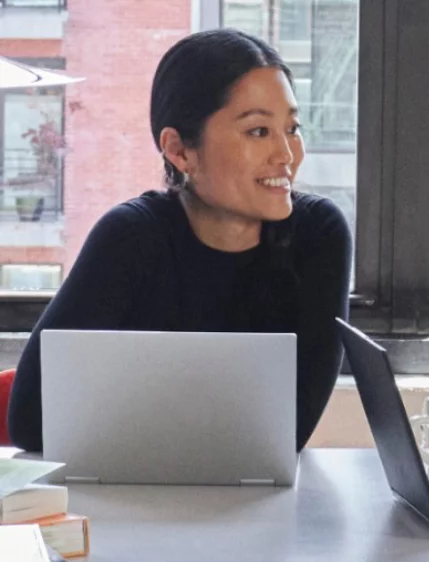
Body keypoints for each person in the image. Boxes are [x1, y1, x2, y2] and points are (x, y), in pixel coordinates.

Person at [7, 29, 352, 453]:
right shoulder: (130, 237)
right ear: (179, 150)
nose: (287, 153)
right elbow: (28, 420)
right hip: (126, 503)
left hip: (257, 503)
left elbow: (288, 433)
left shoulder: (319, 235)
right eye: (259, 131)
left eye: (293, 128)